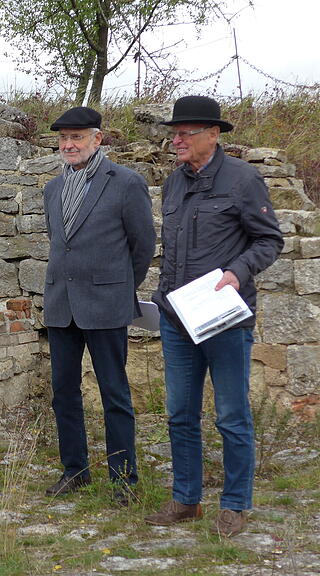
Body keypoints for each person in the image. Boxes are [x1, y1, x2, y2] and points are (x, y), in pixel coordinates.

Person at [145, 96, 283, 537]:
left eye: (186, 132)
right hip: (177, 317)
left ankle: (236, 505)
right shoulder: (173, 183)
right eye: (174, 133)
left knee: (231, 414)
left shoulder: (243, 180)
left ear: (214, 134)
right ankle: (187, 501)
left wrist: (236, 272)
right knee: (180, 413)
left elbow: (269, 241)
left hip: (224, 319)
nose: (177, 140)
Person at [41, 106, 155, 504]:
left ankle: (124, 478)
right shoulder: (52, 189)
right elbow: (60, 243)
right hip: (61, 304)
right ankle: (75, 471)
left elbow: (143, 247)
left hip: (106, 305)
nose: (69, 145)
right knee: (63, 392)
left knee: (114, 393)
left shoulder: (126, 183)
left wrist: (120, 289)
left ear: (97, 139)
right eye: (63, 138)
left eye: (77, 137)